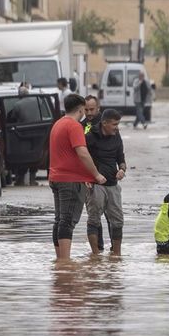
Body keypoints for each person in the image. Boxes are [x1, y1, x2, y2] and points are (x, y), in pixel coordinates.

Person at [49, 93, 106, 260]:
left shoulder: (57, 124)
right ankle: (65, 262)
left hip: (56, 178)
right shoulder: (74, 126)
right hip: (70, 181)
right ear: (80, 109)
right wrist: (95, 174)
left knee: (59, 220)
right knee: (67, 221)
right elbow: (82, 152)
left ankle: (59, 260)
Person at [85, 109, 126, 256]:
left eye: (118, 124)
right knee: (94, 219)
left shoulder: (117, 135)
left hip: (113, 184)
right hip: (96, 185)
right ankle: (95, 255)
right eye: (114, 124)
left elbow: (121, 158)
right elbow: (81, 158)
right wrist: (86, 178)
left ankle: (117, 254)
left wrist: (122, 169)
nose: (117, 127)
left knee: (118, 220)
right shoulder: (90, 136)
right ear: (104, 123)